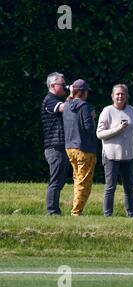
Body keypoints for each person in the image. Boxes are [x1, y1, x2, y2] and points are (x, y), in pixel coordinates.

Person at [97, 84, 133, 217]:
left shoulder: (131, 110)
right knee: (110, 187)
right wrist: (118, 129)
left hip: (128, 156)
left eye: (123, 94)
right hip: (111, 156)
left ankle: (131, 214)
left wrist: (131, 147)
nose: (120, 96)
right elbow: (100, 134)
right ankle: (107, 214)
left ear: (126, 96)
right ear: (112, 96)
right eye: (118, 94)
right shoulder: (107, 111)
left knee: (129, 188)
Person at [62, 79, 97, 216]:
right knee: (84, 182)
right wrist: (93, 117)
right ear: (83, 92)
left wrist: (71, 93)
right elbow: (88, 128)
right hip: (84, 148)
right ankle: (76, 212)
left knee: (77, 180)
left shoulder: (66, 105)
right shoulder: (85, 107)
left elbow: (68, 100)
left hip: (70, 147)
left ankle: (76, 210)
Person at [41, 72, 70, 215]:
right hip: (54, 147)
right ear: (52, 85)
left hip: (60, 147)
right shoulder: (50, 100)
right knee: (56, 181)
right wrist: (74, 96)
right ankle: (52, 211)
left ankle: (54, 210)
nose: (65, 87)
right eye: (63, 85)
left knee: (60, 180)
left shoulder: (56, 99)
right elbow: (64, 108)